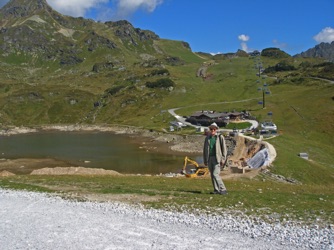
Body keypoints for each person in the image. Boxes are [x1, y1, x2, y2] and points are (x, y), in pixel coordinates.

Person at [203, 122, 228, 195]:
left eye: (214, 129)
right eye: (211, 129)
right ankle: (216, 189)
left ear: (216, 129)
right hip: (209, 158)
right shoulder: (207, 138)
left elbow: (224, 149)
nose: (212, 130)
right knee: (212, 175)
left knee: (215, 174)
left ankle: (223, 189)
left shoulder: (220, 137)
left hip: (217, 158)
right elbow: (204, 150)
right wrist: (205, 160)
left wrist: (223, 159)